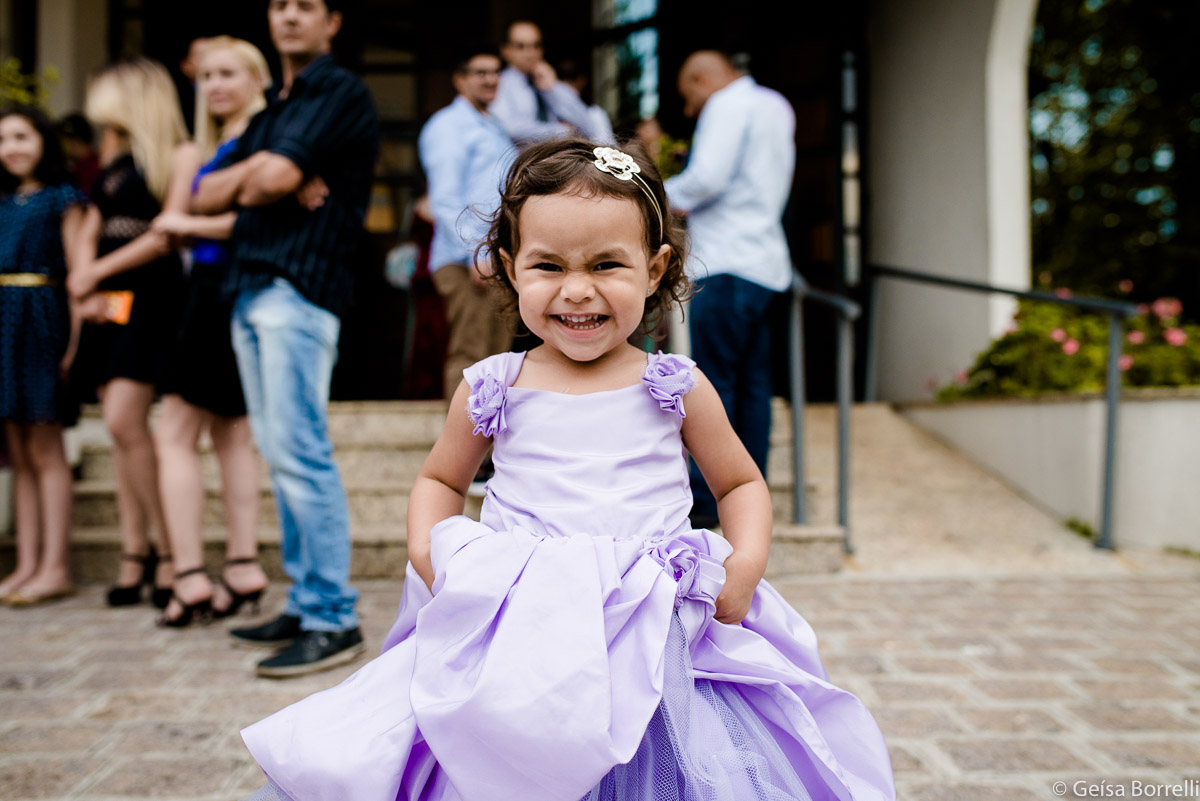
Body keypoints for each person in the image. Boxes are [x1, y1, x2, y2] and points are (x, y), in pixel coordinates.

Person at [232, 138, 895, 801]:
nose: (578, 290)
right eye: (549, 265)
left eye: (608, 263)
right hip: (525, 620)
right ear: (508, 268)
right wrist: (431, 552)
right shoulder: (495, 385)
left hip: (651, 623)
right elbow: (441, 480)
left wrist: (745, 561)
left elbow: (739, 481)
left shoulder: (673, 384)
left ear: (656, 266)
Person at [192, 0, 379, 676]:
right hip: (249, 289)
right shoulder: (274, 107)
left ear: (333, 19)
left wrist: (270, 176)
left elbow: (265, 179)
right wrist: (266, 175)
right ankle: (306, 602)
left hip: (298, 290)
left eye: (306, 6)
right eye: (280, 5)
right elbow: (203, 192)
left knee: (299, 449)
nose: (290, 17)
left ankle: (334, 615)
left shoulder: (341, 91)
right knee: (278, 449)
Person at [149, 37, 272, 627]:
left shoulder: (264, 142)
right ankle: (241, 565)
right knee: (229, 435)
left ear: (257, 79)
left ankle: (193, 574)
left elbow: (192, 221)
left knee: (177, 434)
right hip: (212, 294)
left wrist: (193, 222)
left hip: (226, 293)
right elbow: (174, 222)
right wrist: (203, 221)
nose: (215, 84)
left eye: (229, 73)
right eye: (206, 75)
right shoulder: (197, 148)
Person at [69, 58, 189, 608]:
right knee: (122, 432)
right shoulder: (111, 162)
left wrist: (96, 272)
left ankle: (167, 553)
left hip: (152, 299)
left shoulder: (173, 156)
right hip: (111, 303)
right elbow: (91, 228)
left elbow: (165, 235)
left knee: (124, 420)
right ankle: (135, 551)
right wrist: (83, 280)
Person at [665, 50, 796, 527]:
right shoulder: (776, 105)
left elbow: (706, 180)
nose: (689, 108)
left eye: (688, 96)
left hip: (723, 263)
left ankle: (706, 504)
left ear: (703, 78)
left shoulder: (725, 106)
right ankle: (749, 500)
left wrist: (651, 196)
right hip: (767, 266)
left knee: (712, 391)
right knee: (754, 388)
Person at [0, 106, 87, 605]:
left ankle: (55, 565)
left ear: (43, 141)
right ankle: (26, 562)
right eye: (4, 138)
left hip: (41, 320)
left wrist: (73, 345)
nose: (11, 146)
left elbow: (77, 275)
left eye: (21, 135)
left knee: (47, 448)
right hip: (5, 329)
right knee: (18, 451)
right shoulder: (4, 201)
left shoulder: (64, 199)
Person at [418, 46, 514, 401]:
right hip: (465, 261)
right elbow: (444, 198)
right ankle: (462, 454)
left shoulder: (495, 126)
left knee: (497, 361)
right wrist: (476, 251)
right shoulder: (448, 126)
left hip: (495, 258)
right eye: (480, 72)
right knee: (471, 356)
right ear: (460, 80)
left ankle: (488, 452)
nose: (490, 79)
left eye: (495, 72)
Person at [490, 20, 607, 144]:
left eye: (536, 46)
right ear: (505, 50)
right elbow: (509, 128)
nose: (530, 53)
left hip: (558, 159)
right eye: (521, 46)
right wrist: (561, 131)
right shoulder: (499, 84)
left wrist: (553, 89)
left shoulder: (550, 82)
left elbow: (589, 126)